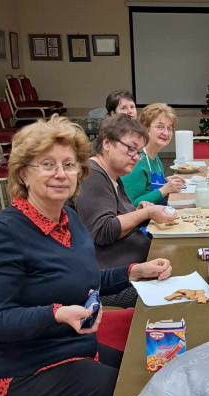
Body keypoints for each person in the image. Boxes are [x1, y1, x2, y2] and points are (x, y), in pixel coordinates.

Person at [0, 115, 173, 396]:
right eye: (47, 164)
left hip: (75, 349)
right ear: (22, 174)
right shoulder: (3, 234)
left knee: (159, 370)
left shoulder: (70, 220)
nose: (61, 173)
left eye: (68, 165)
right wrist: (57, 313)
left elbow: (84, 280)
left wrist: (135, 272)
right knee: (143, 390)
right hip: (26, 370)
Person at [76, 114, 178, 307]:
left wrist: (138, 211)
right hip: (115, 280)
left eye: (139, 152)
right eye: (131, 149)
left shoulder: (113, 174)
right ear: (107, 143)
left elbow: (116, 218)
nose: (136, 157)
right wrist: (145, 214)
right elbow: (104, 231)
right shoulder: (93, 176)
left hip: (132, 266)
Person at [121, 103, 185, 207]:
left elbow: (148, 187)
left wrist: (165, 182)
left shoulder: (155, 157)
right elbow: (130, 205)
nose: (166, 133)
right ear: (145, 128)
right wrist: (164, 190)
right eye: (160, 127)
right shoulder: (137, 160)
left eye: (169, 128)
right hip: (143, 222)